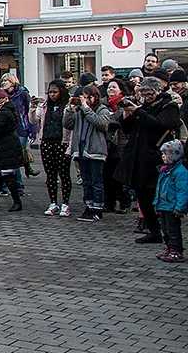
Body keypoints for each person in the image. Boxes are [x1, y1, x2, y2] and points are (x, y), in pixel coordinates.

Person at [116, 76, 182, 246]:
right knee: (142, 198)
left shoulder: (169, 106)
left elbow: (159, 125)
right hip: (139, 158)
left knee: (159, 198)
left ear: (158, 91)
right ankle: (154, 232)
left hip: (158, 159)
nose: (146, 96)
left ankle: (170, 237)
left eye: (149, 92)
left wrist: (138, 111)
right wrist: (127, 113)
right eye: (143, 92)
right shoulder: (143, 106)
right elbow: (128, 128)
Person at [64, 84, 112, 222]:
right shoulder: (79, 111)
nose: (84, 100)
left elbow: (101, 124)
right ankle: (89, 206)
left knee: (96, 182)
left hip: (96, 151)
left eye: (87, 97)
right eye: (82, 97)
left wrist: (86, 108)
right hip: (81, 150)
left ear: (95, 97)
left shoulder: (102, 109)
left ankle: (97, 209)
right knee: (86, 182)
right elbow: (67, 125)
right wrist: (69, 109)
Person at [39, 80, 73, 217]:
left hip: (62, 142)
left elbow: (71, 126)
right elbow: (34, 120)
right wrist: (32, 108)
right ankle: (53, 203)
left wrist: (70, 146)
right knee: (50, 174)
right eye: (50, 92)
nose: (52, 95)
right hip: (47, 142)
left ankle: (65, 204)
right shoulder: (45, 106)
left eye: (55, 92)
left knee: (64, 174)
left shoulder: (67, 106)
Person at [154, 140, 187, 263]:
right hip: (163, 205)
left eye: (166, 154)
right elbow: (159, 188)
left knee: (173, 230)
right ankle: (169, 247)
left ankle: (176, 250)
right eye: (163, 154)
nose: (163, 156)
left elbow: (182, 192)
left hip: (172, 206)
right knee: (165, 229)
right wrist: (156, 203)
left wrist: (180, 207)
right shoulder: (164, 170)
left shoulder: (180, 172)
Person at [104, 80, 132, 215]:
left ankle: (124, 202)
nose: (111, 89)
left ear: (120, 90)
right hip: (107, 145)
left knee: (120, 177)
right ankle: (109, 202)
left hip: (122, 144)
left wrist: (110, 119)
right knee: (107, 176)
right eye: (109, 87)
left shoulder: (125, 104)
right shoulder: (103, 105)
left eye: (114, 87)